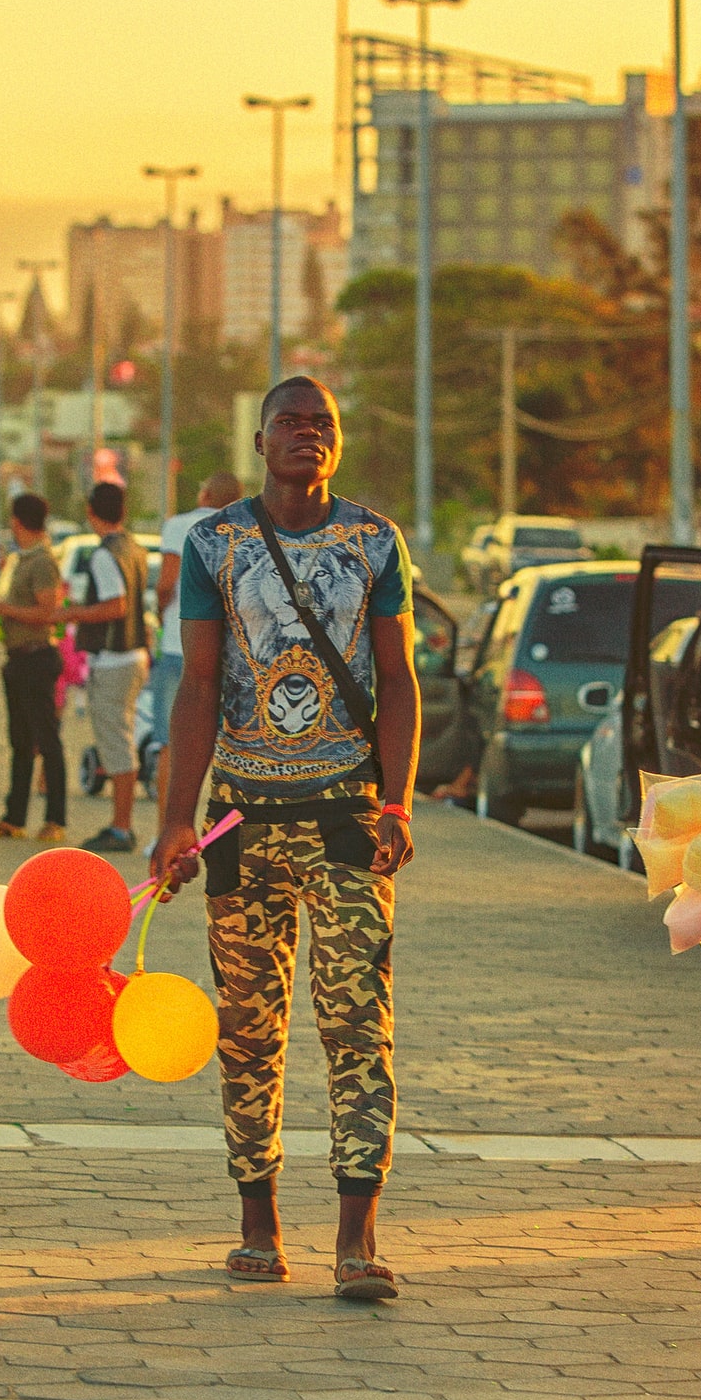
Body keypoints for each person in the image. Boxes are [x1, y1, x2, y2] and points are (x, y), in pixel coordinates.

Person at [150, 375, 419, 1302]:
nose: (307, 435)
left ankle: (357, 1240)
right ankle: (257, 1227)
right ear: (260, 440)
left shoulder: (374, 539)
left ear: (336, 444)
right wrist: (175, 819)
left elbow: (398, 678)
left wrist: (397, 805)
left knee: (357, 1025)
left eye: (323, 425)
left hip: (346, 815)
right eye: (290, 424)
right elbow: (196, 687)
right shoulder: (213, 544)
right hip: (240, 821)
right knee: (248, 1032)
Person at [58, 481, 150, 853]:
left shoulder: (103, 554)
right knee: (119, 738)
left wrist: (70, 613)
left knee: (115, 742)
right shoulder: (135, 548)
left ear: (91, 512)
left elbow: (115, 606)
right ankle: (120, 822)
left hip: (114, 657)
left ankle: (121, 826)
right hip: (134, 654)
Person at [146, 471, 244, 813]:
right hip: (233, 652)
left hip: (179, 645)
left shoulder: (179, 525)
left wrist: (160, 615)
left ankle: (167, 831)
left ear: (204, 494)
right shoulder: (244, 527)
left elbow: (166, 582)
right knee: (234, 748)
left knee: (171, 743)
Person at [0, 493, 68, 842]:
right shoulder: (22, 559)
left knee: (47, 741)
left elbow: (48, 612)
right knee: (20, 741)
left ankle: (55, 819)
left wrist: (4, 610)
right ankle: (14, 818)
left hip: (36, 657)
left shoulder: (42, 561)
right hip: (18, 658)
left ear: (17, 521)